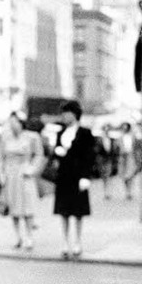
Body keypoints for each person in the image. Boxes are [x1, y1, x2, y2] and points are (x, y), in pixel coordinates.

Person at [0, 110, 43, 251]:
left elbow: (39, 155)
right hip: (10, 175)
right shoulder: (5, 138)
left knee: (28, 206)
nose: (13, 125)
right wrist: (1, 175)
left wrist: (32, 169)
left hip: (24, 174)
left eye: (15, 122)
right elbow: (0, 159)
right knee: (13, 206)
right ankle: (18, 236)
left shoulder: (32, 137)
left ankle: (29, 236)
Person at [53, 99, 93, 260]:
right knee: (63, 211)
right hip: (64, 176)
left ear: (74, 114)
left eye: (66, 113)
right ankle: (64, 241)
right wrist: (57, 151)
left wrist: (85, 176)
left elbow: (89, 156)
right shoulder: (60, 133)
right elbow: (55, 155)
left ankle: (77, 240)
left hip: (78, 176)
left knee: (77, 211)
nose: (63, 116)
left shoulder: (85, 133)